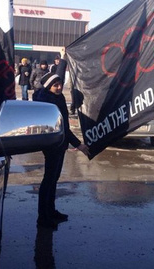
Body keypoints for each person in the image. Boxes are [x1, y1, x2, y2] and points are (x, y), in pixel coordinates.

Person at [33, 73, 90, 229]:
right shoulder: (45, 101)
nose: (59, 87)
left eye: (60, 84)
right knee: (48, 180)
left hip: (61, 143)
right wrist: (79, 145)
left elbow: (64, 126)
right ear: (48, 86)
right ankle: (43, 218)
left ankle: (51, 211)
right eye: (55, 85)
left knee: (54, 179)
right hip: (51, 144)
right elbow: (58, 126)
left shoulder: (59, 98)